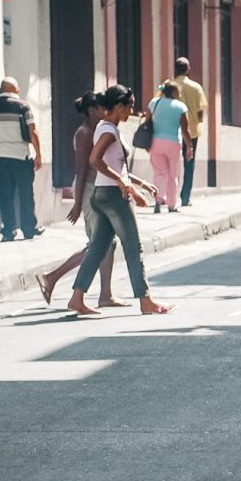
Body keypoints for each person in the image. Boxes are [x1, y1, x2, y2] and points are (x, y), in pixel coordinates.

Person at [66, 84, 174, 317]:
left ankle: (77, 297)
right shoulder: (109, 131)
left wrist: (139, 184)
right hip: (113, 196)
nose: (131, 111)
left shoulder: (105, 127)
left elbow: (115, 165)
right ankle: (145, 300)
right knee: (133, 247)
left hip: (102, 195)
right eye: (129, 106)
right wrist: (125, 185)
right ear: (117, 106)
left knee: (97, 247)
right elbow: (95, 160)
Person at [37, 93, 121, 308]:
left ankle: (105, 295)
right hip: (90, 190)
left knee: (107, 243)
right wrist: (77, 203)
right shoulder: (84, 133)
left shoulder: (97, 130)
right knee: (98, 245)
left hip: (97, 188)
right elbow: (82, 168)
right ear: (92, 110)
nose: (106, 112)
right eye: (103, 108)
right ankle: (52, 277)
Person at [0, 78, 43, 241]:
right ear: (17, 90)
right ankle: (29, 229)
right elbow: (32, 131)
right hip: (20, 155)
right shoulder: (23, 106)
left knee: (5, 194)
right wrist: (39, 155)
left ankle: (8, 230)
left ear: (0, 90)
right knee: (25, 194)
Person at [146, 81, 193, 214]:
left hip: (155, 142)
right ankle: (172, 205)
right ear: (174, 92)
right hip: (173, 143)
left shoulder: (154, 103)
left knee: (159, 173)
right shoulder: (180, 107)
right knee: (173, 174)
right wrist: (190, 146)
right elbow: (185, 129)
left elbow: (147, 123)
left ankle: (158, 200)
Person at [171, 58, 207, 208]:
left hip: (172, 130)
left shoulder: (169, 85)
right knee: (189, 163)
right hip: (191, 132)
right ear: (188, 69)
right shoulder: (196, 87)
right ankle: (185, 197)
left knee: (171, 163)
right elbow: (201, 110)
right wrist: (196, 122)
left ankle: (170, 195)